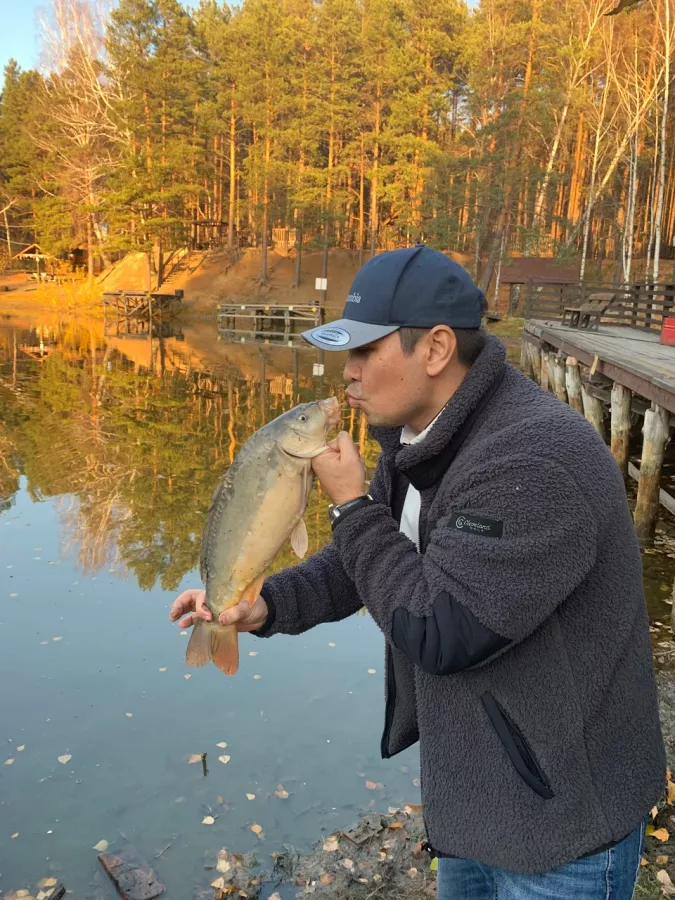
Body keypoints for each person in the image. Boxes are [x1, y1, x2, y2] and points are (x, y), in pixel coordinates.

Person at [171, 245, 665, 899]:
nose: (344, 374)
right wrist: (266, 606)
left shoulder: (533, 460)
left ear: (433, 350)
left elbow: (442, 629)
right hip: (471, 797)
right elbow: (374, 560)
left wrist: (349, 506)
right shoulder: (419, 437)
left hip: (564, 824)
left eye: (364, 352)